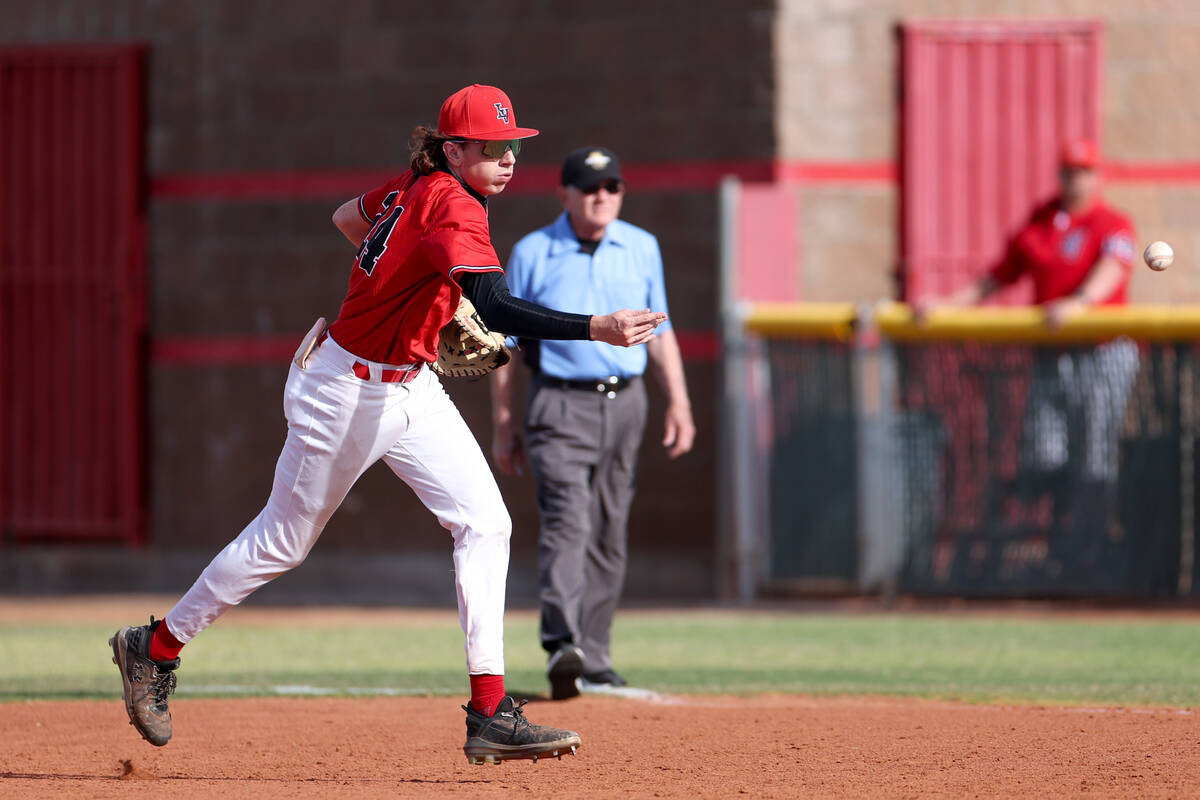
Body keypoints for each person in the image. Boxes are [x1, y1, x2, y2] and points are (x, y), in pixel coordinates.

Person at [108, 85, 667, 765]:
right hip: (343, 389)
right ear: (454, 149)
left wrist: (421, 291)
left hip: (409, 384)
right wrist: (595, 327)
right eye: (491, 147)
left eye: (513, 144)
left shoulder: (418, 182)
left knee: (485, 523)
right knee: (283, 540)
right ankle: (154, 646)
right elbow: (495, 304)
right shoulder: (456, 204)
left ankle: (490, 713)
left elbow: (349, 217)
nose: (508, 157)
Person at [489, 146, 694, 700]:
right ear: (565, 194)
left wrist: (678, 402)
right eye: (588, 187)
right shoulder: (534, 250)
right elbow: (505, 344)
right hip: (558, 402)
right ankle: (562, 642)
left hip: (626, 402)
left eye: (611, 187)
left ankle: (594, 657)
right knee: (568, 520)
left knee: (608, 527)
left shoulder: (642, 247)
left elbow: (662, 331)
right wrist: (503, 423)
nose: (601, 196)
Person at [913, 137, 1140, 576]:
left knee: (1094, 458)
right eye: (1070, 171)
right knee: (1043, 454)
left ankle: (1089, 550)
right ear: (1060, 174)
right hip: (1052, 356)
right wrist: (946, 304)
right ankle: (1059, 542)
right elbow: (997, 277)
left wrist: (1080, 303)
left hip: (1102, 352)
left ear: (1097, 176)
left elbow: (1113, 269)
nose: (1076, 179)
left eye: (1085, 171)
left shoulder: (1112, 223)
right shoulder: (1042, 222)